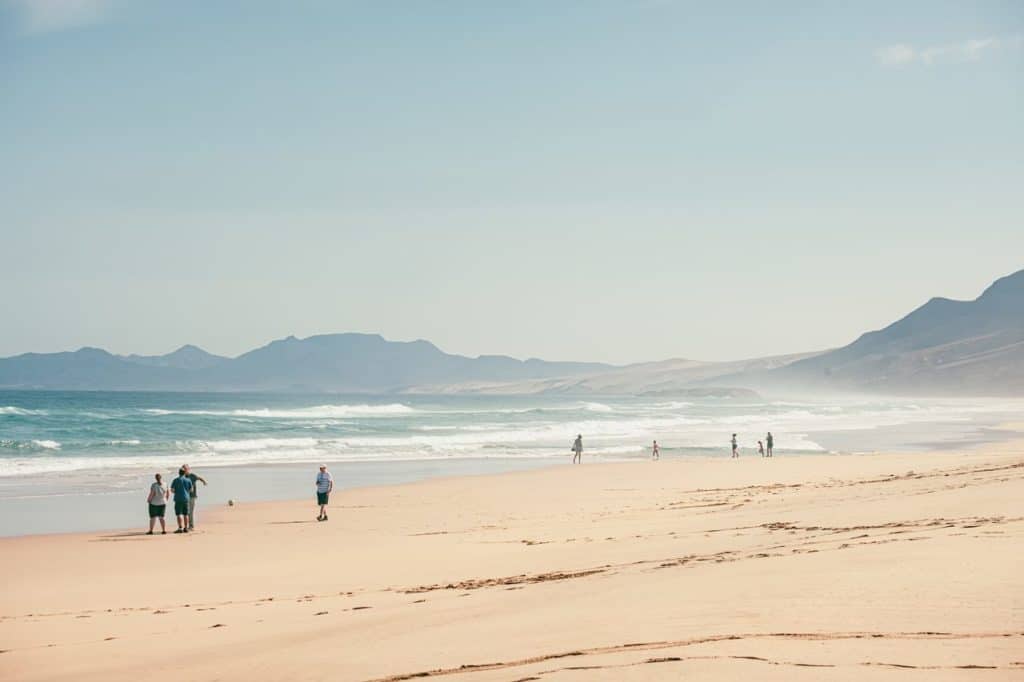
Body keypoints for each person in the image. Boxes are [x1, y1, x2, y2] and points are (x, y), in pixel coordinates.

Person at [183, 464, 207, 531]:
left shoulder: (192, 476)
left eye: (186, 469)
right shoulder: (182, 477)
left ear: (188, 469)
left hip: (192, 496)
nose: (184, 470)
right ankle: (187, 526)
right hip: (185, 496)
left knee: (190, 512)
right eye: (183, 469)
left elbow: (199, 478)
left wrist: (204, 482)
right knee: (186, 512)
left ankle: (191, 526)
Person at [169, 467, 193, 533]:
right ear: (184, 473)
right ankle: (186, 528)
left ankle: (180, 528)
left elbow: (172, 490)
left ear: (179, 473)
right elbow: (191, 490)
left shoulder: (175, 480)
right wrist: (186, 491)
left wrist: (177, 491)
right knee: (186, 514)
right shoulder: (188, 480)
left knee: (179, 514)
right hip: (186, 498)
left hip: (178, 498)